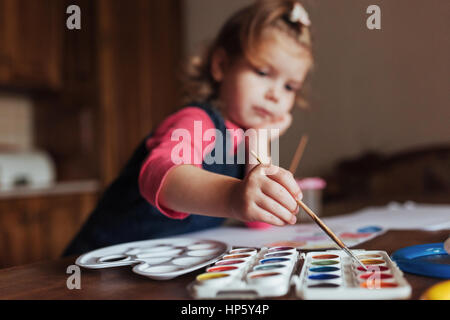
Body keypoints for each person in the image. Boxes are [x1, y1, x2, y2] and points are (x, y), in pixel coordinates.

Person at [63, 0, 314, 256]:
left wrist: (259, 140)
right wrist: (232, 196)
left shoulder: (247, 140)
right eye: (262, 72)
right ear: (221, 65)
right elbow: (161, 175)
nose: (275, 95)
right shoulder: (198, 120)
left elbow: (259, 220)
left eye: (289, 87)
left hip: (152, 266)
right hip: (100, 260)